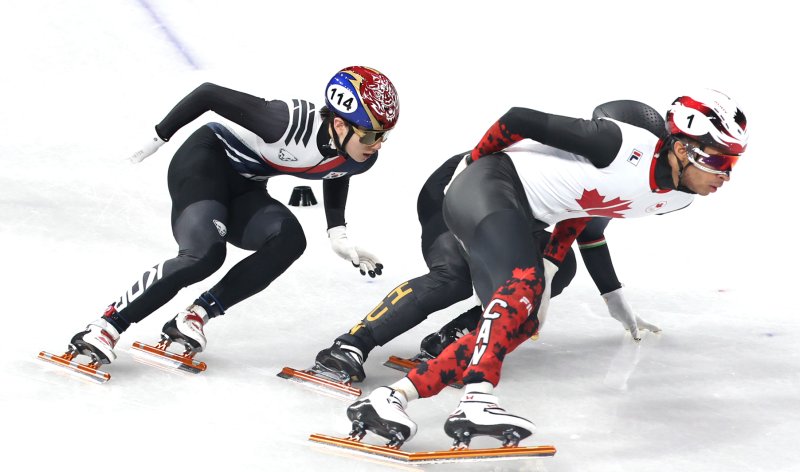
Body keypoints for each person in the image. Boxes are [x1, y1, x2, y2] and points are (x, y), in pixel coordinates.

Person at [345, 89, 748, 448]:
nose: (725, 175)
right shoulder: (619, 143)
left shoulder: (677, 199)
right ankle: (477, 398)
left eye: (732, 163)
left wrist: (553, 270)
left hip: (521, 212)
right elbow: (519, 118)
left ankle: (393, 397)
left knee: (520, 323)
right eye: (718, 160)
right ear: (681, 149)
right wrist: (471, 160)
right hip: (487, 183)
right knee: (521, 285)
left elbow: (586, 206)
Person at [60, 66, 399, 369]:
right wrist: (159, 136)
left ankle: (195, 315)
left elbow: (338, 173)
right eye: (371, 135)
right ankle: (107, 325)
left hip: (246, 187)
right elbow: (208, 93)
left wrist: (337, 232)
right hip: (204, 164)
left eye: (384, 135)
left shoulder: (362, 155)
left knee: (290, 241)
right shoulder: (284, 122)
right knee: (205, 256)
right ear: (339, 124)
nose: (378, 144)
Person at [314, 100, 664, 384]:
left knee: (554, 271)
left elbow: (590, 234)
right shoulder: (596, 153)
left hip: (510, 212)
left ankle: (452, 338)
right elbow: (517, 122)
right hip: (457, 190)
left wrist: (614, 297)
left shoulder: (621, 177)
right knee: (453, 277)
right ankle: (351, 344)